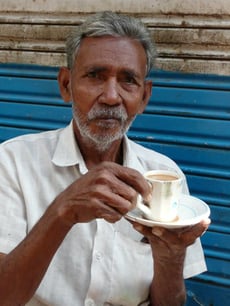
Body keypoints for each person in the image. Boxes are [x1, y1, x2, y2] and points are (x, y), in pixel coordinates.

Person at [0, 11, 210, 306]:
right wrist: (64, 212)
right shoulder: (11, 163)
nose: (111, 96)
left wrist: (170, 258)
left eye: (128, 81)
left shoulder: (164, 177)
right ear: (65, 85)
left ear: (144, 97)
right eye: (95, 76)